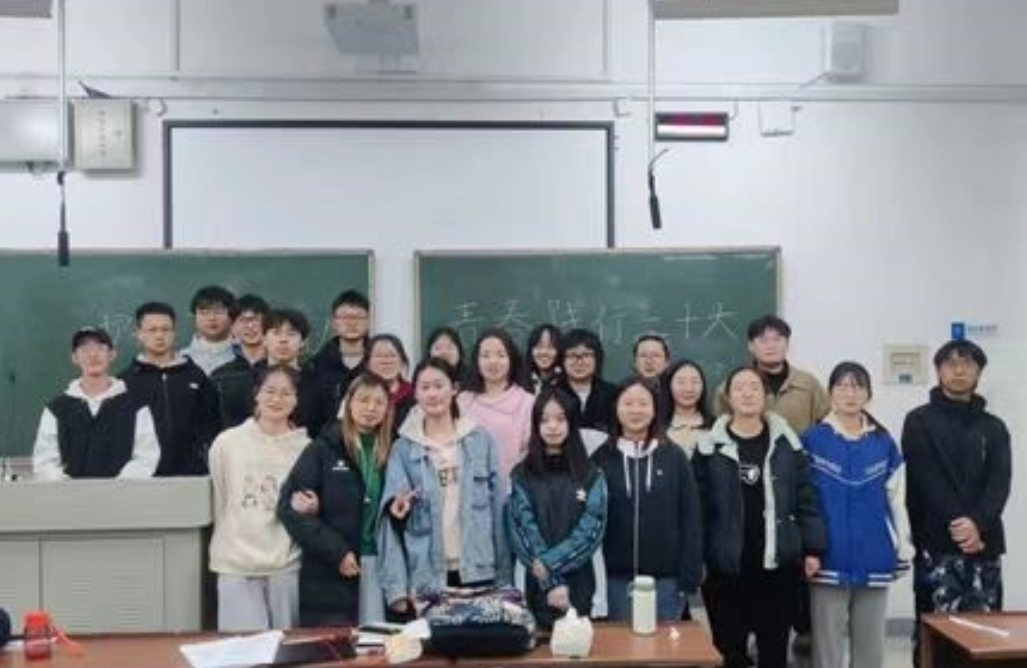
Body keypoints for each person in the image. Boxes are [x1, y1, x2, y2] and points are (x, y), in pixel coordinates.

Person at [694, 366, 825, 668]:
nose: (747, 394)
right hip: (726, 570)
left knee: (774, 653)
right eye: (739, 387)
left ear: (766, 396)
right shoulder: (708, 447)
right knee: (730, 654)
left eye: (755, 387)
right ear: (727, 397)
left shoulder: (788, 444)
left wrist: (814, 548)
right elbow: (698, 510)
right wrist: (697, 557)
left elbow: (806, 499)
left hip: (778, 568)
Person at [902, 340, 1011, 666]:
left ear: (979, 372)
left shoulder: (994, 427)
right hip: (936, 544)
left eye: (968, 364)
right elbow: (926, 479)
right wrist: (962, 525)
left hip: (985, 545)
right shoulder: (918, 421)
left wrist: (977, 523)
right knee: (936, 639)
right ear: (938, 371)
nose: (959, 370)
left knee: (986, 638)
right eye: (951, 364)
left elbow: (999, 483)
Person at [378, 358, 511, 620]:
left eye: (439, 385)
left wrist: (504, 576)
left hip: (478, 569)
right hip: (427, 574)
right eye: (425, 387)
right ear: (415, 394)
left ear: (454, 389)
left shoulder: (480, 440)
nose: (432, 394)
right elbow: (389, 524)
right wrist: (397, 589)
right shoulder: (403, 449)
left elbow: (499, 511)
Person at [803, 361, 913, 668]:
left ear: (868, 394)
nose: (850, 394)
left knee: (871, 647)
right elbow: (803, 502)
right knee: (827, 649)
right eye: (842, 386)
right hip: (828, 557)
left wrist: (903, 548)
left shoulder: (883, 443)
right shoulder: (812, 440)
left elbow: (897, 500)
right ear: (830, 393)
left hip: (874, 554)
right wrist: (808, 548)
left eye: (857, 387)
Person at [278, 373, 395, 626]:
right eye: (363, 400)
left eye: (379, 402)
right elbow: (289, 508)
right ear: (348, 403)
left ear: (388, 409)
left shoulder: (394, 450)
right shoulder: (323, 448)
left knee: (379, 642)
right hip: (333, 568)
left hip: (383, 564)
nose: (371, 408)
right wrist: (337, 551)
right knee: (337, 644)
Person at [592, 376, 702, 622]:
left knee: (661, 645)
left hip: (666, 581)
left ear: (655, 410)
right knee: (620, 645)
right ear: (616, 408)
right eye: (628, 403)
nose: (636, 410)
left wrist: (690, 575)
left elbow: (691, 518)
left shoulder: (674, 457)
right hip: (613, 579)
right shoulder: (600, 459)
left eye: (643, 403)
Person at [208, 364, 310, 631]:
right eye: (270, 391)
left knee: (285, 646)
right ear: (256, 394)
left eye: (286, 393)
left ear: (296, 399)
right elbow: (221, 495)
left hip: (285, 564)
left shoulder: (307, 448)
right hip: (236, 563)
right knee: (241, 649)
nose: (277, 399)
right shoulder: (227, 443)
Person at [506, 387, 607, 628]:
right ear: (535, 425)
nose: (552, 426)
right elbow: (522, 529)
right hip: (535, 583)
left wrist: (550, 565)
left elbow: (590, 531)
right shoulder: (521, 474)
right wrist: (551, 582)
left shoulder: (591, 474)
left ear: (571, 423)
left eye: (560, 419)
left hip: (581, 581)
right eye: (545, 420)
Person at [32, 327, 159, 481]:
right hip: (70, 494)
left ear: (112, 354)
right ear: (74, 358)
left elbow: (146, 457)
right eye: (85, 349)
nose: (93, 355)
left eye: (100, 348)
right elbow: (44, 462)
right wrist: (66, 485)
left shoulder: (136, 406)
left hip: (123, 493)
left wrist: (118, 487)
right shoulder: (57, 409)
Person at [119, 301, 220, 476]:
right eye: (152, 330)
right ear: (139, 334)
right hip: (140, 477)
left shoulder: (196, 377)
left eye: (165, 329)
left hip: (192, 475)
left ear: (174, 333)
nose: (159, 335)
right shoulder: (124, 382)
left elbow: (213, 425)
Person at [216, 308, 333, 438]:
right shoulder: (239, 385)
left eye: (291, 334)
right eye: (276, 333)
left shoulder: (319, 385)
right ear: (264, 339)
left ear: (303, 342)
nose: (283, 340)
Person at [458, 328, 534, 483]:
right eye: (485, 355)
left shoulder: (527, 402)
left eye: (500, 355)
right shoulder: (462, 401)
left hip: (513, 488)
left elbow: (531, 451)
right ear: (476, 361)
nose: (493, 361)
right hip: (468, 488)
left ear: (511, 360)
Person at [306, 289, 371, 411]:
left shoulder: (378, 362)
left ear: (369, 321)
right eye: (345, 317)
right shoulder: (315, 365)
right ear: (334, 323)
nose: (352, 323)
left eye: (358, 317)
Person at [556, 328, 617, 438]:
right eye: (572, 355)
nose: (579, 362)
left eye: (586, 355)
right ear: (562, 360)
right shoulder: (551, 394)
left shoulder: (613, 394)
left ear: (597, 359)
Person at [658, 359, 714, 459]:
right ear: (669, 385)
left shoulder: (716, 426)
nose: (689, 389)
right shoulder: (656, 427)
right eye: (681, 382)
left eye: (695, 382)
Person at [181, 285, 238, 376]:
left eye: (218, 312)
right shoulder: (181, 360)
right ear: (194, 317)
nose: (212, 318)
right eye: (204, 313)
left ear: (232, 316)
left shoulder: (245, 354)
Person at [362, 334, 414, 428]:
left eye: (392, 356)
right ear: (368, 364)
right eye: (379, 356)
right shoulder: (356, 394)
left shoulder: (415, 395)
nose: (386, 361)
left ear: (402, 362)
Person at [228, 294, 270, 366]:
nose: (250, 326)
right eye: (242, 320)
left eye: (256, 320)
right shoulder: (223, 370)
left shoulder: (280, 363)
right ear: (232, 328)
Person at [524, 323, 563, 394]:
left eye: (550, 347)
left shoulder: (567, 382)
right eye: (539, 346)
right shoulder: (520, 382)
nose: (544, 352)